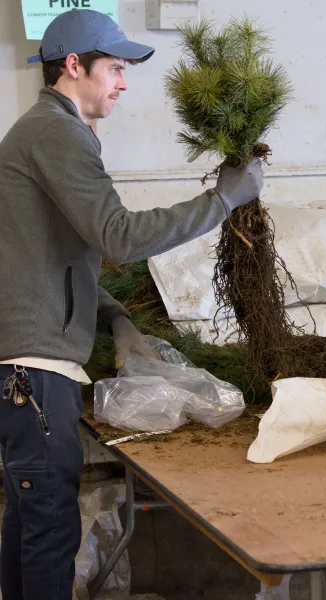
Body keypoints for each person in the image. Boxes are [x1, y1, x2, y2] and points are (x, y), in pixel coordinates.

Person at [0, 9, 263, 598]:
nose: (123, 82)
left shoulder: (48, 132)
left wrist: (115, 315)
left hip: (27, 370)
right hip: (33, 374)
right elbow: (119, 235)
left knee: (28, 526)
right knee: (47, 530)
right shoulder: (55, 132)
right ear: (74, 66)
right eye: (115, 68)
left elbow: (46, 258)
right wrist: (220, 201)